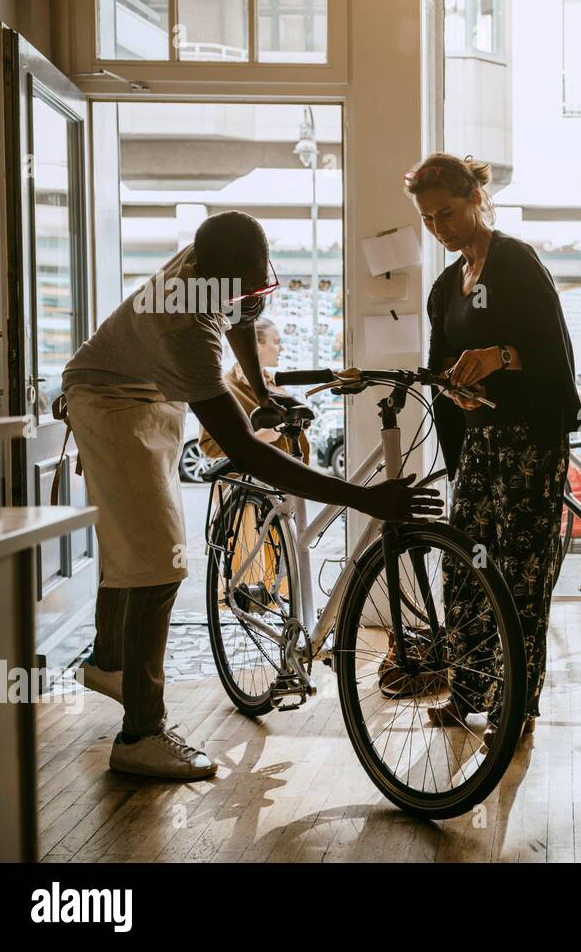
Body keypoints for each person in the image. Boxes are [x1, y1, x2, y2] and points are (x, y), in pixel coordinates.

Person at [62, 211, 439, 781]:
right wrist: (363, 499)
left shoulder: (222, 268)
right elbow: (247, 452)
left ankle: (111, 663)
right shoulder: (182, 323)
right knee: (156, 564)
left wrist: (261, 390)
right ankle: (139, 737)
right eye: (246, 288)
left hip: (149, 389)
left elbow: (237, 315)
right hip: (108, 399)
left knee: (133, 541)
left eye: (261, 282)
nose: (254, 298)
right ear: (212, 275)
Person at [408, 153, 581, 743]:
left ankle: (516, 704)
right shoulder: (443, 287)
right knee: (466, 566)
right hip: (480, 445)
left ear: (476, 201)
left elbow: (556, 357)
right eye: (429, 220)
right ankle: (467, 689)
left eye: (447, 213)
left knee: (520, 573)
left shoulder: (516, 263)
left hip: (531, 442)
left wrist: (500, 356)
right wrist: (450, 388)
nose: (440, 228)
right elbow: (436, 368)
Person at [198, 316, 309, 460]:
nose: (282, 348)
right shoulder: (225, 387)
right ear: (254, 343)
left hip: (284, 478)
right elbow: (210, 447)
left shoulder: (274, 385)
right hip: (247, 481)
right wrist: (258, 438)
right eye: (277, 342)